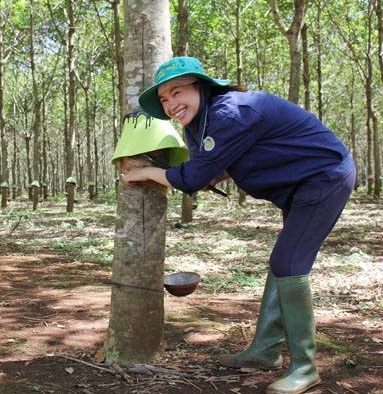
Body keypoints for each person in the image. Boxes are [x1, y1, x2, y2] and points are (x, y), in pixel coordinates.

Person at [124, 57, 356, 394]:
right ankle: (265, 351)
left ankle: (305, 368)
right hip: (298, 183)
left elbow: (192, 177)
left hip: (323, 178)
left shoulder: (228, 113)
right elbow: (224, 161)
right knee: (284, 262)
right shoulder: (201, 123)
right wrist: (214, 171)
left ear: (200, 87)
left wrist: (144, 172)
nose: (171, 104)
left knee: (288, 263)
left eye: (177, 93)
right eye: (164, 99)